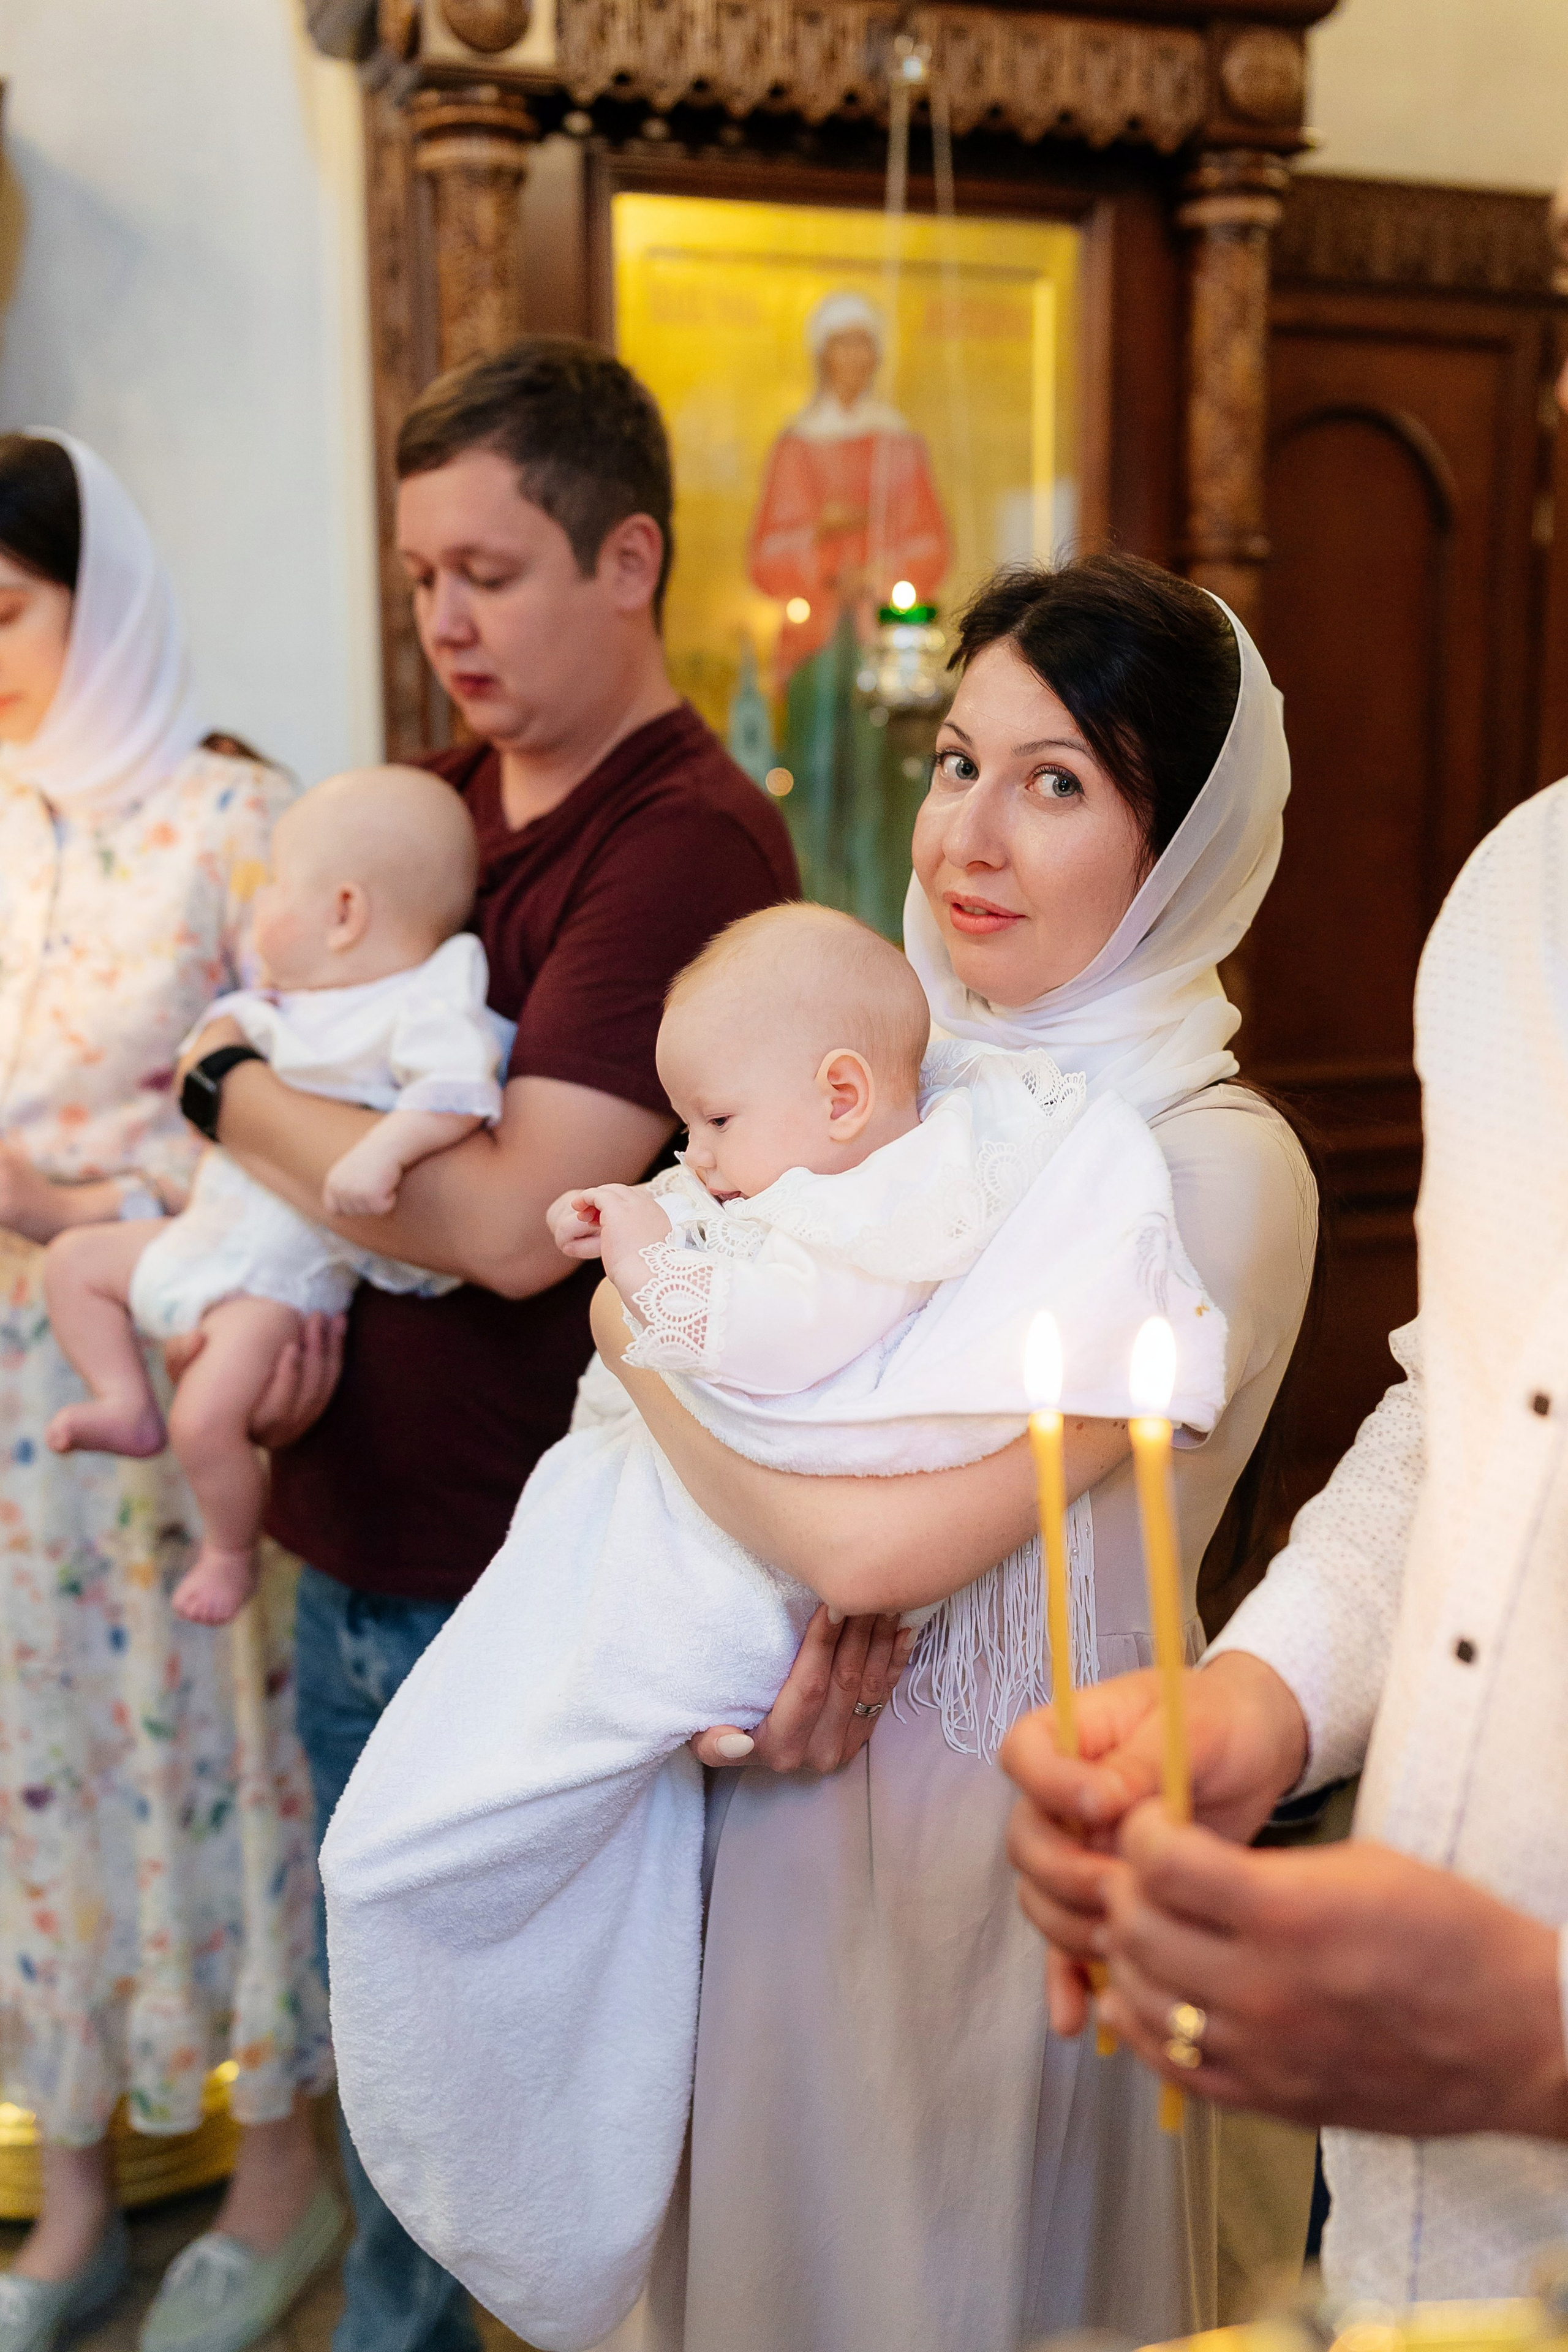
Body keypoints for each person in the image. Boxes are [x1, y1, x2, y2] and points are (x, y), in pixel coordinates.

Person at [574, 552, 1317, 2352]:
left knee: (964, 2278)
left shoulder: (1212, 1165)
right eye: (954, 762)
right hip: (777, 1798)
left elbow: (871, 1542)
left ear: (1186, 842)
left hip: (1015, 1844)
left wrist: (633, 1334)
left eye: (1055, 781)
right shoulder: (886, 1072)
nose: (968, 834)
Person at [318, 899, 1233, 2348]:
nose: (694, 1157)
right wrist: (655, 1250)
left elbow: (775, 1354)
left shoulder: (919, 1189)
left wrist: (633, 1287)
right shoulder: (821, 1163)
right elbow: (703, 1318)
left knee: (426, 1840)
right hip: (739, 1650)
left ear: (841, 1097)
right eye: (952, 761)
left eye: (711, 1122)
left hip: (910, 1727)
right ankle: (521, 2145)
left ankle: (523, 2164)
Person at [175, 337, 818, 2352]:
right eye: (421, 577)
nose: (444, 620)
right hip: (358, 1545)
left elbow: (509, 1224)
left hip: (513, 1572)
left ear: (628, 558)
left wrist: (218, 1089)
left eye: (492, 569)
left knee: (502, 2120)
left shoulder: (683, 843)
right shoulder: (440, 806)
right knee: (404, 2082)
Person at [1002, 763, 1568, 2304]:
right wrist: (1264, 1692)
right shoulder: (1524, 889)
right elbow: (1479, 1410)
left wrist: (1537, 2035)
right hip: (1394, 2195)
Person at [0, 432, 337, 2352]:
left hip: (165, 1377)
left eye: (7, 616)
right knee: (33, 1775)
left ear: (96, 591)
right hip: (2, 1406)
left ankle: (279, 2172)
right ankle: (61, 2196)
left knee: (206, 1755)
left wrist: (61, 1204)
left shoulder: (236, 829)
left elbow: (292, 1142)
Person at [44, 767, 505, 1626]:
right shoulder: (284, 1003)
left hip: (281, 1274)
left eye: (270, 893)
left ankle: (228, 1553)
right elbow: (204, 1071)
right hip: (212, 1225)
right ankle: (122, 1399)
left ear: (343, 913)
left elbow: (459, 1091)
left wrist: (386, 1149)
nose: (255, 914)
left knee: (206, 1419)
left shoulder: (422, 998)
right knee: (72, 1267)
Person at [748, 291, 950, 921]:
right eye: (842, 343)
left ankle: (887, 915)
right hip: (817, 643)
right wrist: (827, 552)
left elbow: (929, 541)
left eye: (865, 343)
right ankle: (814, 908)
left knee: (885, 782)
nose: (853, 357)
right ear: (822, 355)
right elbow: (768, 552)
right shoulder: (797, 446)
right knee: (814, 772)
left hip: (882, 640)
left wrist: (879, 569)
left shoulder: (900, 444)